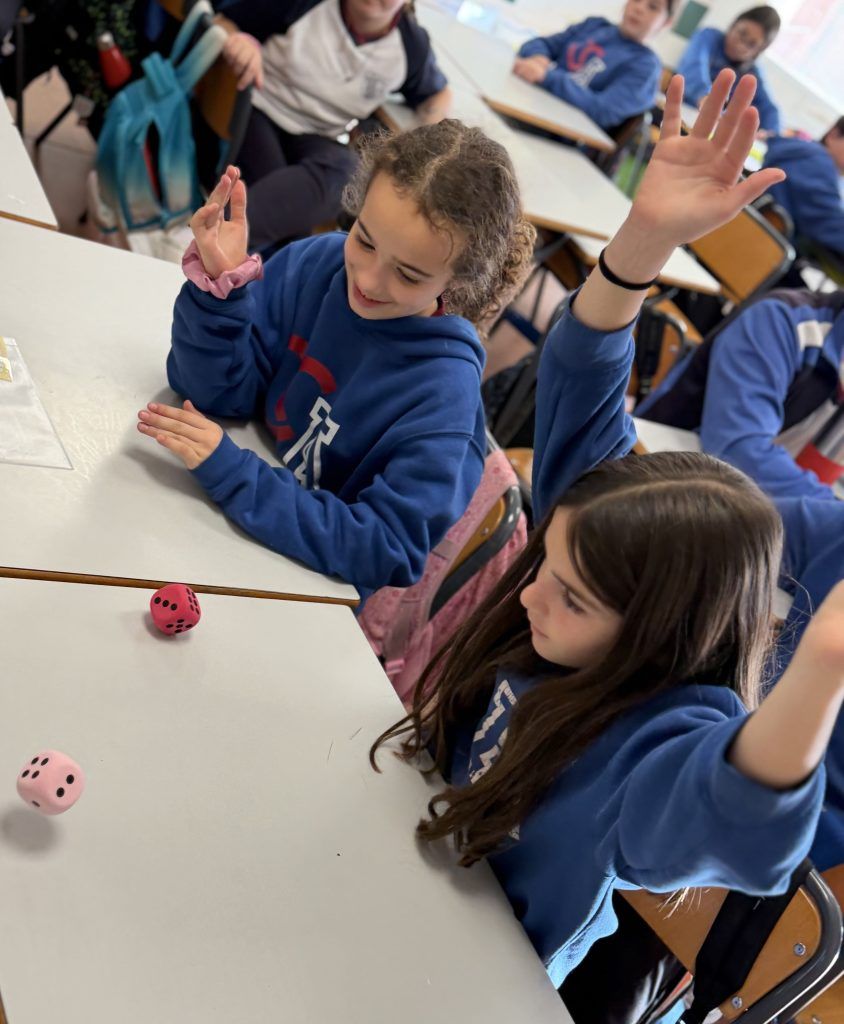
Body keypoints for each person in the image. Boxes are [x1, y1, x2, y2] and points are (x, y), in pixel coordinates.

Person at [371, 72, 844, 1000]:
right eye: (548, 564)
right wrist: (642, 243)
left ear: (659, 631)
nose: (527, 590)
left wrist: (824, 663)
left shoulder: (649, 746)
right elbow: (584, 390)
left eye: (572, 593)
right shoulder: (614, 565)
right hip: (390, 846)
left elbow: (742, 822)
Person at [136, 120, 535, 600]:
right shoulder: (317, 263)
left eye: (408, 275)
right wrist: (220, 295)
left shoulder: (443, 399)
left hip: (301, 593)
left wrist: (236, 474)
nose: (367, 280)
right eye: (364, 240)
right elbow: (217, 394)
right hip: (220, 526)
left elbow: (384, 547)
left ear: (458, 281)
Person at [208, 0, 452, 251]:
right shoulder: (304, 5)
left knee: (350, 173)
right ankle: (212, 242)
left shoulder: (411, 45)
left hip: (319, 132)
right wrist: (240, 42)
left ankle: (211, 242)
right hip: (261, 107)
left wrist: (428, 132)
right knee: (288, 208)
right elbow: (222, 19)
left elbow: (438, 94)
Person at [637, 288, 844, 502]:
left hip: (733, 502)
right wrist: (829, 511)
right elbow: (738, 451)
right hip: (653, 477)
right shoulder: (779, 320)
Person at [512, 0, 674, 131]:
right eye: (636, 0)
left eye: (653, 7)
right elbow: (538, 44)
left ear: (666, 23)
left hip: (560, 134)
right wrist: (538, 57)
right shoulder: (594, 26)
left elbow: (603, 110)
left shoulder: (646, 67)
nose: (639, 8)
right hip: (532, 105)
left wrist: (546, 76)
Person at [676, 5, 781, 133]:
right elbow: (693, 67)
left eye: (752, 44)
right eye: (742, 33)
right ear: (733, 25)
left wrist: (770, 133)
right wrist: (706, 97)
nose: (740, 45)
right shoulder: (708, 37)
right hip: (679, 111)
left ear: (759, 50)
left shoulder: (752, 72)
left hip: (711, 128)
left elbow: (769, 109)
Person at [762, 117, 844, 263]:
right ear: (834, 134)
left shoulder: (805, 154)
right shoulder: (817, 163)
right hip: (762, 254)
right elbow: (826, 223)